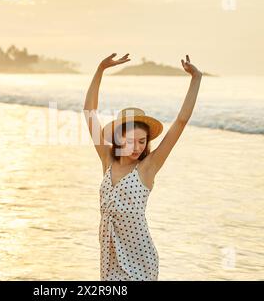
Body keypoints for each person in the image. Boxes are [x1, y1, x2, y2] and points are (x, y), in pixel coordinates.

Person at [83, 52, 202, 280]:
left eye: (141, 141)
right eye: (129, 141)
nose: (136, 147)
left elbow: (181, 121)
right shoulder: (107, 159)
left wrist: (196, 79)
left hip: (139, 260)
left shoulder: (148, 167)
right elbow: (89, 112)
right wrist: (100, 70)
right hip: (109, 257)